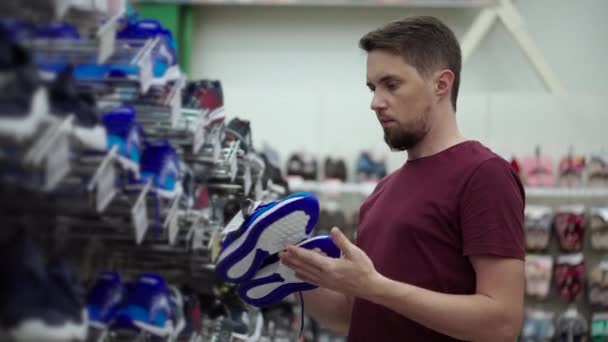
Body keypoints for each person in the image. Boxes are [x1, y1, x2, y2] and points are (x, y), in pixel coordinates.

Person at [279, 15, 525, 342]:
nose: (375, 102)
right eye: (372, 87)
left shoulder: (483, 175)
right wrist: (284, 263)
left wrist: (376, 287)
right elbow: (349, 318)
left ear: (441, 84)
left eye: (391, 85)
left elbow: (502, 322)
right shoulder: (382, 193)